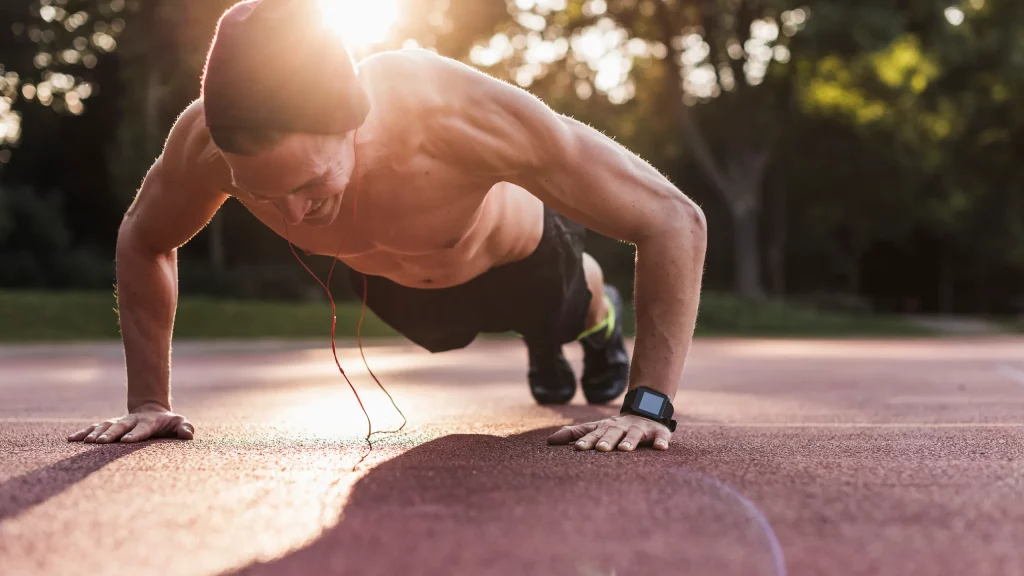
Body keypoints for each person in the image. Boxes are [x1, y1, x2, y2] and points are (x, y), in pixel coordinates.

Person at [67, 0, 707, 453]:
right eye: (263, 193)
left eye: (310, 184)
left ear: (354, 121)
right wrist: (149, 401)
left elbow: (674, 219)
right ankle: (542, 341)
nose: (292, 215)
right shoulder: (203, 144)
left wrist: (649, 405)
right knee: (445, 336)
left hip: (525, 259)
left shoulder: (452, 115)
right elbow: (145, 238)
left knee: (566, 312)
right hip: (401, 292)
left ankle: (596, 321)